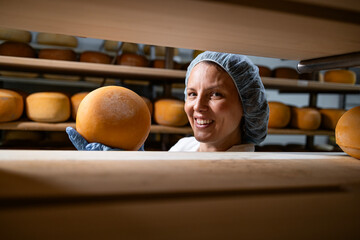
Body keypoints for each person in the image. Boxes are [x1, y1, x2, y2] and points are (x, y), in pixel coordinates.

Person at [66, 51, 269, 152]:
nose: (197, 106)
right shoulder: (185, 147)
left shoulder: (250, 170)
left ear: (247, 104)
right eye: (191, 94)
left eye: (215, 94)